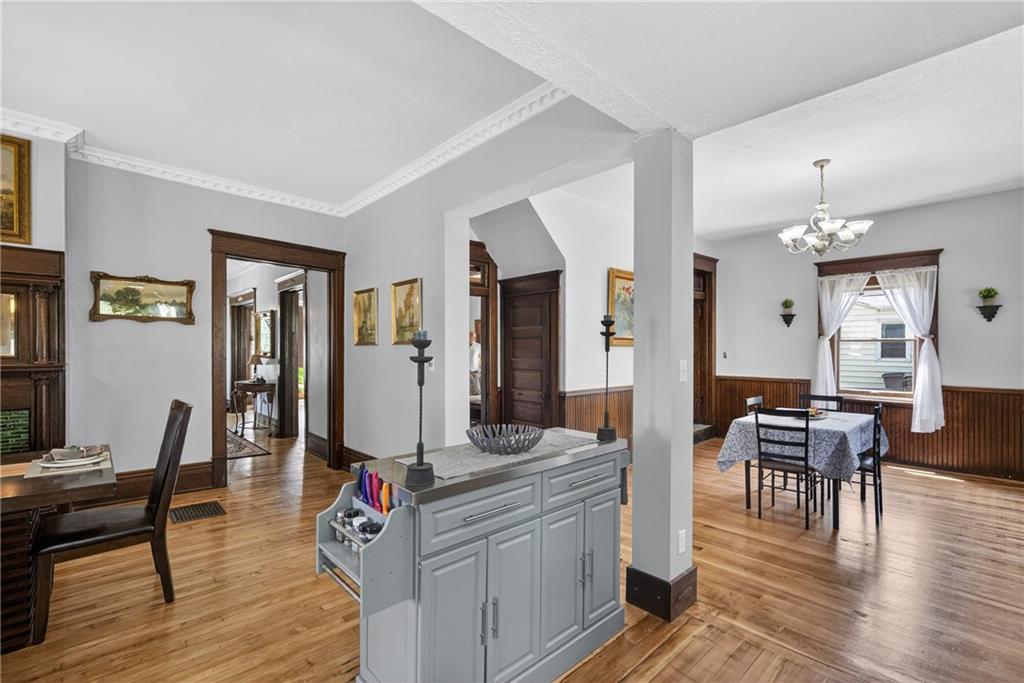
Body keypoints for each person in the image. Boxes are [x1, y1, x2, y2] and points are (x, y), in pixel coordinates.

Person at [469, 330, 482, 395]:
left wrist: (480, 367)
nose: (473, 338)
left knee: (477, 391)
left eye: (474, 337)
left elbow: (481, 357)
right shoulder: (462, 345)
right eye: (471, 336)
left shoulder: (478, 346)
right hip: (466, 370)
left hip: (475, 370)